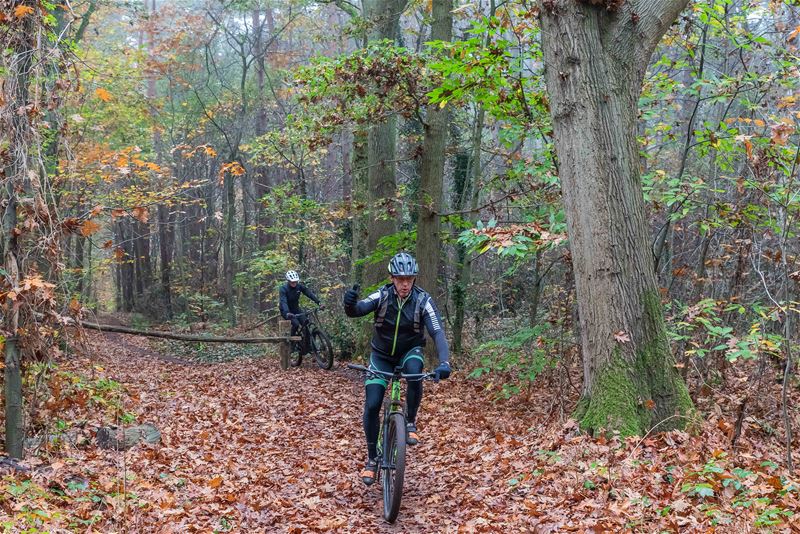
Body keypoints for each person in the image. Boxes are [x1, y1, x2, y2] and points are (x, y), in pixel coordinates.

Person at [342, 252, 451, 486]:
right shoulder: (382, 295)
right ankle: (372, 459)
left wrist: (445, 362)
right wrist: (349, 303)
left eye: (409, 279)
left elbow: (437, 332)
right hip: (381, 357)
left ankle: (410, 422)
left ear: (414, 279)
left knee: (414, 371)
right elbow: (358, 309)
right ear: (392, 278)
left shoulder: (423, 301)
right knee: (372, 405)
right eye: (400, 278)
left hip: (409, 351)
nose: (404, 284)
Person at [279, 270, 323, 349]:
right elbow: (283, 302)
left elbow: (309, 293)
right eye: (292, 282)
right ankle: (291, 344)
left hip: (296, 308)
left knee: (306, 323)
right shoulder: (283, 289)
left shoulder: (299, 287)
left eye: (295, 282)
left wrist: (319, 303)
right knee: (295, 324)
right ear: (288, 281)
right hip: (286, 311)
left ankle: (307, 346)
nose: (294, 283)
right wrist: (287, 313)